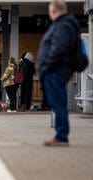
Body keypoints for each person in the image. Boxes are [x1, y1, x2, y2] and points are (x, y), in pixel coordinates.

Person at [37, 0, 79, 146]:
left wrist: (47, 66)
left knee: (58, 104)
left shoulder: (62, 25)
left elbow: (58, 48)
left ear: (54, 11)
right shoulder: (64, 24)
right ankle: (61, 135)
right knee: (57, 103)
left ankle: (61, 136)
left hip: (55, 70)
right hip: (56, 70)